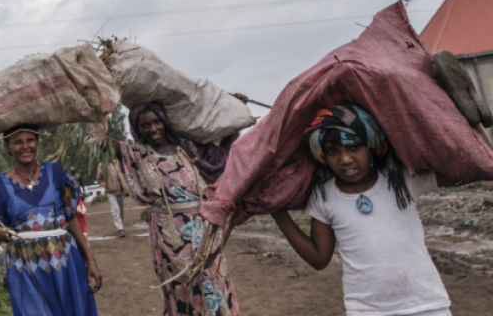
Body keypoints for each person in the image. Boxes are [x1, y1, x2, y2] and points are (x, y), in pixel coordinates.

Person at [271, 104, 462, 316]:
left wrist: (463, 120)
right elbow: (319, 258)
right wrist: (278, 213)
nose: (345, 159)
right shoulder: (324, 195)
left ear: (371, 145)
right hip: (367, 310)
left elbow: (469, 167)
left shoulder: (401, 180)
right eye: (333, 151)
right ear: (322, 155)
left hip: (427, 305)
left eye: (354, 147)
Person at [101, 104, 239, 316]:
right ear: (137, 129)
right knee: (183, 286)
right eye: (145, 125)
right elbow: (100, 141)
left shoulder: (189, 148)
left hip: (206, 230)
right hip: (169, 236)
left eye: (157, 122)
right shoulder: (137, 153)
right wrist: (97, 111)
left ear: (166, 122)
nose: (153, 128)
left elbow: (221, 157)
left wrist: (236, 112)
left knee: (215, 279)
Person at [0, 124, 101, 316]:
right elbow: (3, 233)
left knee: (75, 309)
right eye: (18, 142)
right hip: (26, 265)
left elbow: (71, 218)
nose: (25, 146)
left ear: (37, 142)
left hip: (65, 261)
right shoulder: (0, 183)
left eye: (30, 140)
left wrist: (90, 260)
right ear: (7, 147)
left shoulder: (55, 173)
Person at [105, 159, 126, 237]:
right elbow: (99, 178)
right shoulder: (102, 165)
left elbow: (122, 173)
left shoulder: (116, 163)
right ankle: (120, 229)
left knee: (121, 209)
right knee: (115, 209)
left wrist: (124, 184)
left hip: (120, 190)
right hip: (110, 192)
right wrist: (105, 185)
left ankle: (121, 226)